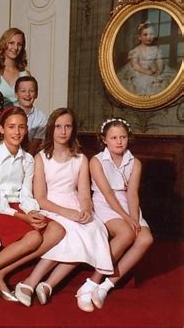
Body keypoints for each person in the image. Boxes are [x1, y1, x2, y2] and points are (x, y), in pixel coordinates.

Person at [0, 107, 65, 305]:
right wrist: (22, 218)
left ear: (26, 130)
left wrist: (32, 211)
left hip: (19, 207)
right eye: (11, 127)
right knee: (34, 237)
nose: (16, 132)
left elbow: (26, 194)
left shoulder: (27, 159)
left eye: (21, 127)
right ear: (1, 129)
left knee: (57, 230)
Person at [14, 108, 113, 309]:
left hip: (74, 203)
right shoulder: (41, 158)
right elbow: (40, 198)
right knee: (71, 231)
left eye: (67, 126)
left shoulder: (80, 158)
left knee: (93, 229)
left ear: (73, 130)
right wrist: (67, 213)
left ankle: (49, 284)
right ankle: (31, 281)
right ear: (51, 129)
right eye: (58, 126)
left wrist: (85, 208)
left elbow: (84, 192)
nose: (63, 131)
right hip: (52, 206)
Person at [80, 118, 153, 311]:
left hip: (127, 204)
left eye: (123, 137)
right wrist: (127, 219)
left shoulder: (134, 162)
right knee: (127, 233)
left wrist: (134, 218)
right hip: (105, 203)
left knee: (145, 238)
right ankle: (91, 283)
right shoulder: (96, 161)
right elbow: (108, 194)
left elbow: (132, 193)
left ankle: (106, 285)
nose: (119, 141)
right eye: (113, 137)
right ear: (105, 140)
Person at [117, 22, 176, 96]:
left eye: (151, 34)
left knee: (165, 81)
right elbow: (135, 65)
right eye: (145, 35)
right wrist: (146, 71)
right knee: (142, 82)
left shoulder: (156, 49)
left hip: (154, 70)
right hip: (140, 71)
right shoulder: (136, 50)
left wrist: (159, 71)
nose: (149, 37)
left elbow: (159, 61)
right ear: (139, 37)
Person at [0, 28, 31, 107]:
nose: (16, 47)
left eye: (19, 44)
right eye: (12, 43)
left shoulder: (25, 75)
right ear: (4, 44)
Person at [14, 76, 47, 155]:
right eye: (23, 91)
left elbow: (34, 146)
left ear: (36, 94)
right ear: (16, 94)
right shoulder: (10, 115)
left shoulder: (40, 118)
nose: (27, 94)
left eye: (31, 91)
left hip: (30, 157)